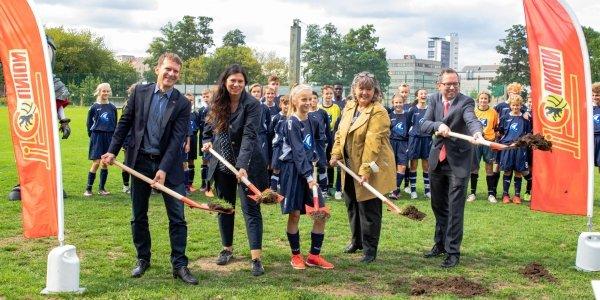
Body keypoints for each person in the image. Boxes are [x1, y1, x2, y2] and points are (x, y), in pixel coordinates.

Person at [101, 52, 198, 284]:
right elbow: (124, 123)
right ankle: (143, 258)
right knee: (138, 215)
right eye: (168, 69)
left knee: (177, 216)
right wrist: (113, 150)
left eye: (176, 71)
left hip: (170, 167)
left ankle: (180, 264)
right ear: (157, 69)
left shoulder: (182, 104)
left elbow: (177, 140)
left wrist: (163, 169)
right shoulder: (140, 93)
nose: (171, 74)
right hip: (141, 163)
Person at [201, 64, 269, 277]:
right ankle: (227, 249)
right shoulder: (216, 101)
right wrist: (206, 142)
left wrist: (242, 166)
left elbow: (250, 136)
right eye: (233, 80)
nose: (237, 84)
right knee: (225, 207)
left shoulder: (253, 104)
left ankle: (256, 257)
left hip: (246, 164)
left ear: (245, 83)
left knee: (251, 210)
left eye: (240, 81)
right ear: (225, 81)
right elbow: (207, 130)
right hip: (222, 163)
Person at [419, 68, 483, 268]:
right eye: (448, 84)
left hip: (458, 163)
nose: (452, 87)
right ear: (440, 85)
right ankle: (439, 244)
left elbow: (472, 120)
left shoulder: (466, 102)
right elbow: (424, 124)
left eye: (455, 83)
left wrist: (478, 134)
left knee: (455, 209)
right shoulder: (433, 100)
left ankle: (453, 252)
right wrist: (438, 125)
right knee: (438, 206)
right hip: (438, 160)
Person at [330, 71, 395, 263]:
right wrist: (335, 154)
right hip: (349, 167)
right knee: (352, 205)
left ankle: (369, 249)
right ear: (354, 89)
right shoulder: (349, 107)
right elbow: (340, 133)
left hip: (371, 167)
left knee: (369, 209)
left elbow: (372, 143)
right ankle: (356, 241)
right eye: (361, 88)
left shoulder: (379, 112)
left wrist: (365, 170)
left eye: (369, 89)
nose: (364, 93)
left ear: (375, 91)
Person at [279, 84, 334, 270]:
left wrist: (320, 159)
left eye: (310, 98)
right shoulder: (290, 123)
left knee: (321, 213)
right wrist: (308, 176)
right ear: (294, 101)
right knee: (295, 214)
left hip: (309, 171)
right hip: (293, 171)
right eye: (303, 99)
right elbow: (298, 151)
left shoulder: (313, 119)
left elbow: (318, 142)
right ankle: (296, 256)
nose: (308, 102)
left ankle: (314, 256)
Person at [497, 94, 532, 204]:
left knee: (518, 171)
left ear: (521, 105)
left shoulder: (525, 119)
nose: (515, 107)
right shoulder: (505, 118)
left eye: (518, 105)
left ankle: (517, 195)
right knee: (507, 171)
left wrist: (519, 143)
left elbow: (528, 134)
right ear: (510, 105)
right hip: (507, 148)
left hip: (520, 149)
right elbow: (501, 132)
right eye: (513, 105)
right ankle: (505, 195)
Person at [84, 83, 117, 197]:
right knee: (96, 162)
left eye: (107, 91)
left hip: (109, 137)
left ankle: (102, 188)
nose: (106, 93)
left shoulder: (112, 107)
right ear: (99, 92)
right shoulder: (94, 107)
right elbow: (89, 124)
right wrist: (92, 136)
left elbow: (115, 123)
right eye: (103, 91)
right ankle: (88, 189)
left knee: (105, 163)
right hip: (97, 136)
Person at [467, 91, 500, 203]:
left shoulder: (493, 112)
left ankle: (491, 194)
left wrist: (493, 138)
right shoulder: (473, 112)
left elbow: (495, 127)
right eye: (481, 98)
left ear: (489, 100)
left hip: (488, 142)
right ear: (478, 100)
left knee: (489, 168)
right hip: (476, 143)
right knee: (474, 168)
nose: (483, 100)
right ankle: (472, 193)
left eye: (485, 98)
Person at [406, 88, 432, 199]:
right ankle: (413, 191)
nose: (423, 95)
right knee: (413, 165)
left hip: (426, 139)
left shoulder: (430, 109)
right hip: (415, 139)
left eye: (425, 93)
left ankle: (427, 191)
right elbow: (408, 124)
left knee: (426, 166)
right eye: (421, 93)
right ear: (417, 96)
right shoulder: (412, 110)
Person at [319, 85, 342, 199]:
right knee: (321, 162)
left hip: (332, 136)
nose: (328, 96)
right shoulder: (319, 107)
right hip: (321, 138)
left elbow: (337, 123)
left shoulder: (336, 107)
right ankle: (321, 186)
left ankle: (331, 186)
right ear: (322, 94)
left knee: (331, 161)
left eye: (330, 94)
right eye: (326, 94)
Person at [388, 93, 410, 200]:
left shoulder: (408, 115)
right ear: (393, 103)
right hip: (392, 143)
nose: (398, 104)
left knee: (402, 166)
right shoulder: (389, 116)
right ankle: (395, 190)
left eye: (400, 102)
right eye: (396, 102)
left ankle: (395, 190)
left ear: (403, 103)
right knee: (392, 167)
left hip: (403, 143)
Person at [310, 91, 330, 198]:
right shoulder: (306, 113)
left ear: (318, 100)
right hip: (309, 143)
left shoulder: (322, 112)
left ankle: (323, 190)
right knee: (310, 166)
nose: (312, 100)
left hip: (320, 142)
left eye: (314, 98)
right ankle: (310, 189)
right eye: (310, 98)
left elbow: (327, 129)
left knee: (322, 165)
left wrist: (328, 141)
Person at [183, 93, 201, 194]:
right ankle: (184, 186)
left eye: (191, 100)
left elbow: (198, 126)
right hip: (184, 139)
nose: (189, 102)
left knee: (191, 161)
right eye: (188, 100)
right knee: (183, 162)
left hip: (193, 138)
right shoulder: (181, 112)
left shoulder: (195, 114)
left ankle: (190, 184)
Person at [397, 83, 412, 195]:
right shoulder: (395, 106)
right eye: (402, 92)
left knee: (406, 163)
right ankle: (394, 187)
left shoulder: (411, 107)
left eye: (406, 92)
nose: (404, 94)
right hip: (396, 140)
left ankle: (407, 184)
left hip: (407, 140)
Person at [198, 88, 214, 197]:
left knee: (211, 162)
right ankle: (204, 184)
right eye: (203, 96)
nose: (205, 98)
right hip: (204, 138)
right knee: (205, 161)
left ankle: (210, 187)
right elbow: (200, 124)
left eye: (207, 96)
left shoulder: (214, 108)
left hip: (213, 139)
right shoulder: (201, 110)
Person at [593, 82, 600, 173]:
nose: (594, 97)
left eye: (597, 95)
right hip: (591, 138)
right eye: (593, 95)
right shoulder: (588, 107)